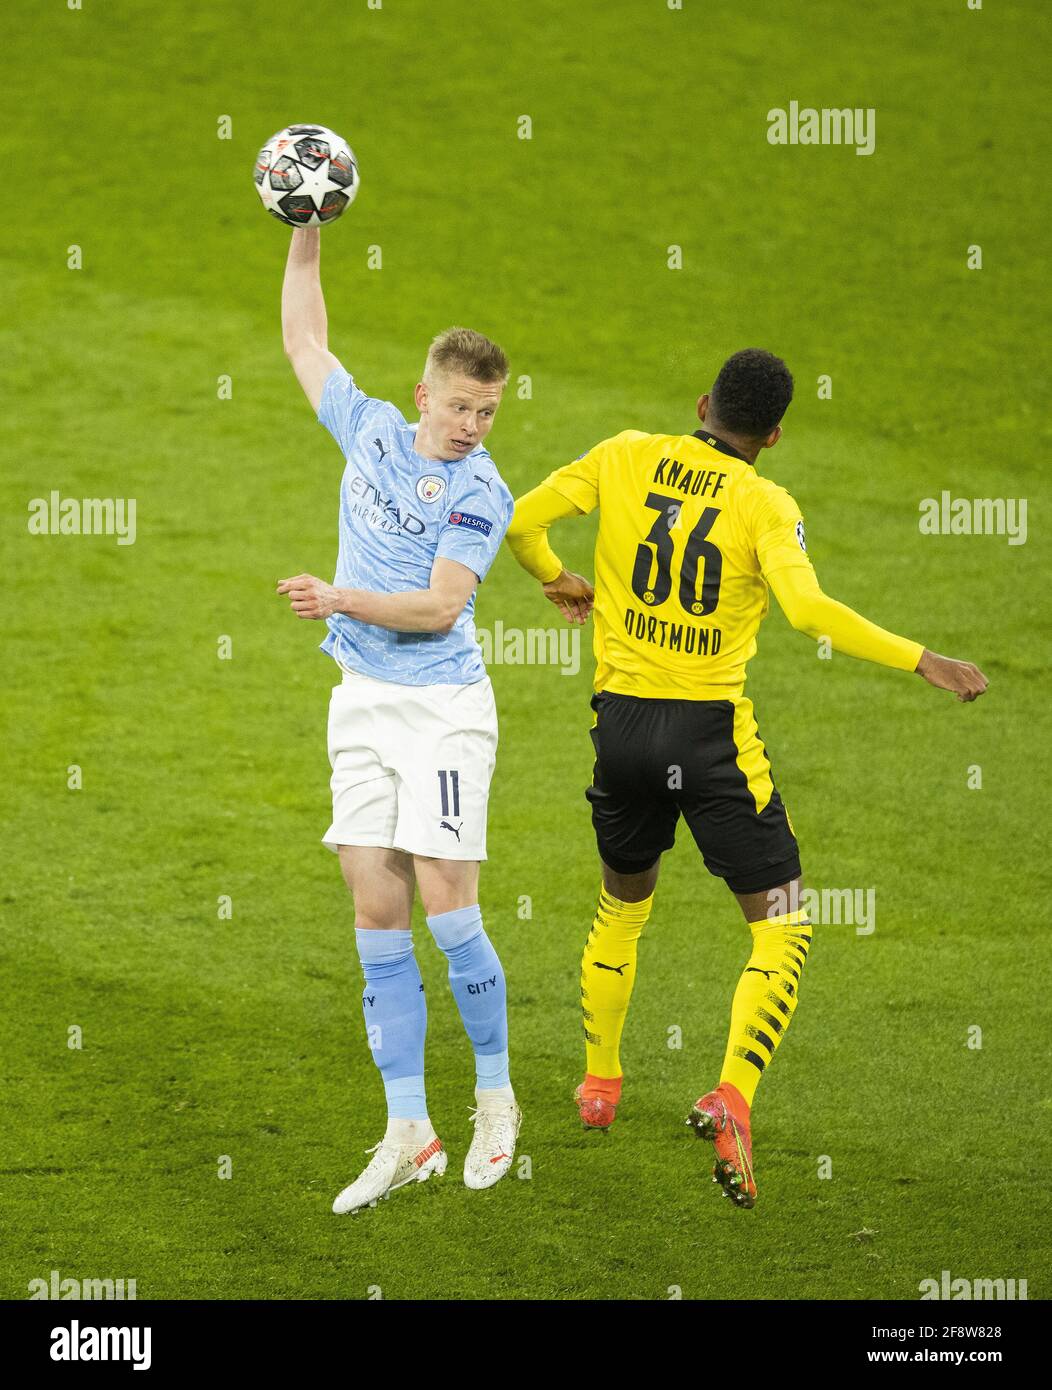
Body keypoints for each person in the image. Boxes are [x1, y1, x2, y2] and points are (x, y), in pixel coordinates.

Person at [504, 348, 987, 1209]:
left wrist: (558, 580)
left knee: (623, 902)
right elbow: (807, 612)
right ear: (774, 434)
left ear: (700, 404)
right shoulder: (765, 502)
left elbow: (517, 521)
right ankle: (730, 1094)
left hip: (619, 728)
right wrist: (924, 660)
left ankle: (601, 1082)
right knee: (783, 927)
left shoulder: (622, 454)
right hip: (710, 737)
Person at [277, 226, 521, 1213]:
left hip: (444, 710)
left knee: (446, 898)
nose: (472, 424)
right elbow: (303, 341)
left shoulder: (480, 491)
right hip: (362, 703)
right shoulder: (372, 427)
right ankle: (408, 1127)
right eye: (461, 406)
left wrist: (338, 599)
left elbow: (435, 608)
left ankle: (497, 1098)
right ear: (424, 395)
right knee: (374, 904)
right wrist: (306, 231)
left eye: (489, 410)